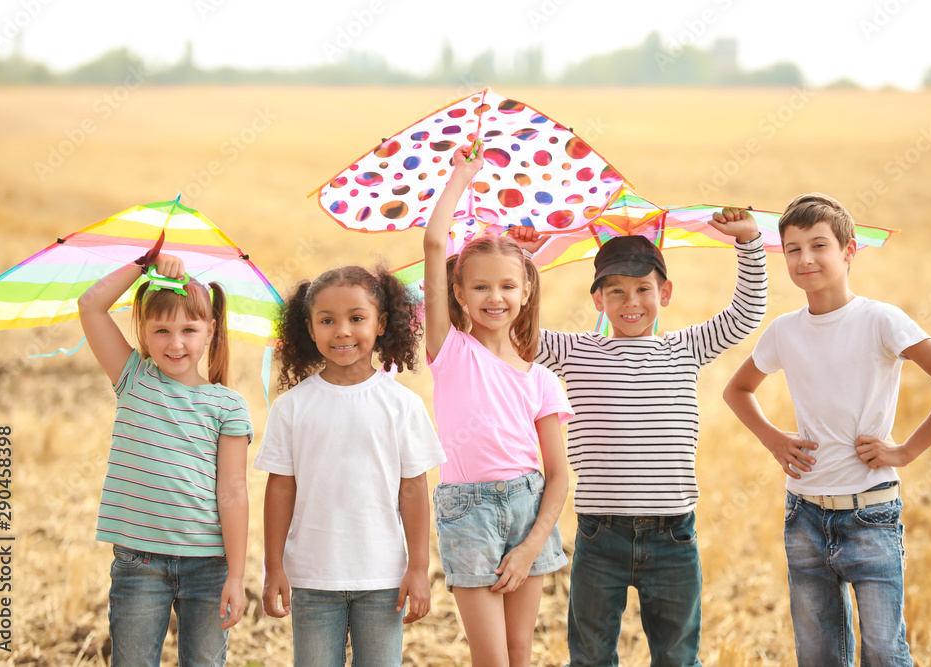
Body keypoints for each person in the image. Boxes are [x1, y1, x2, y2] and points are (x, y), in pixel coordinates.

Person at [722, 192, 931, 666]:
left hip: (872, 515)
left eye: (819, 245)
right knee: (818, 654)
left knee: (884, 652)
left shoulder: (880, 320)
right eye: (793, 249)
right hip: (803, 516)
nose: (805, 259)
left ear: (848, 250)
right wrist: (774, 439)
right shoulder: (784, 330)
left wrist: (904, 452)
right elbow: (737, 390)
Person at [510, 206, 767, 667]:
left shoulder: (685, 348)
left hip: (673, 536)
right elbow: (514, 332)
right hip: (598, 534)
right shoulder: (577, 352)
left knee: (677, 657)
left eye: (643, 290)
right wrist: (520, 262)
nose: (631, 303)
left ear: (664, 293)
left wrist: (748, 242)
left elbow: (745, 315)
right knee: (589, 657)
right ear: (598, 301)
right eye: (617, 292)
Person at [423, 143, 574, 667]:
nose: (495, 297)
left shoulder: (542, 381)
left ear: (527, 291)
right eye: (480, 286)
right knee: (491, 659)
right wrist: (462, 177)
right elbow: (434, 240)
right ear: (458, 294)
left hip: (530, 509)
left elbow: (558, 475)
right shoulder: (449, 351)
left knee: (519, 654)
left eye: (508, 285)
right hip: (468, 512)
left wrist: (533, 546)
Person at [254, 264, 446, 667]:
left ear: (382, 324)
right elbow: (280, 489)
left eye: (357, 318)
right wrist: (274, 567)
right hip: (311, 576)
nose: (342, 331)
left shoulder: (402, 405)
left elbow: (413, 490)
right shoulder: (291, 407)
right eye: (327, 320)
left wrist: (419, 567)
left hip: (383, 578)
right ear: (309, 328)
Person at [78, 252, 252, 666]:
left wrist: (237, 574)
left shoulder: (227, 406)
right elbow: (91, 305)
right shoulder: (133, 379)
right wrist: (144, 264)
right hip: (139, 564)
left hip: (209, 566)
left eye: (189, 329)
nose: (175, 343)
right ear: (143, 329)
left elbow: (232, 492)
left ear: (210, 330)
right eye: (161, 330)